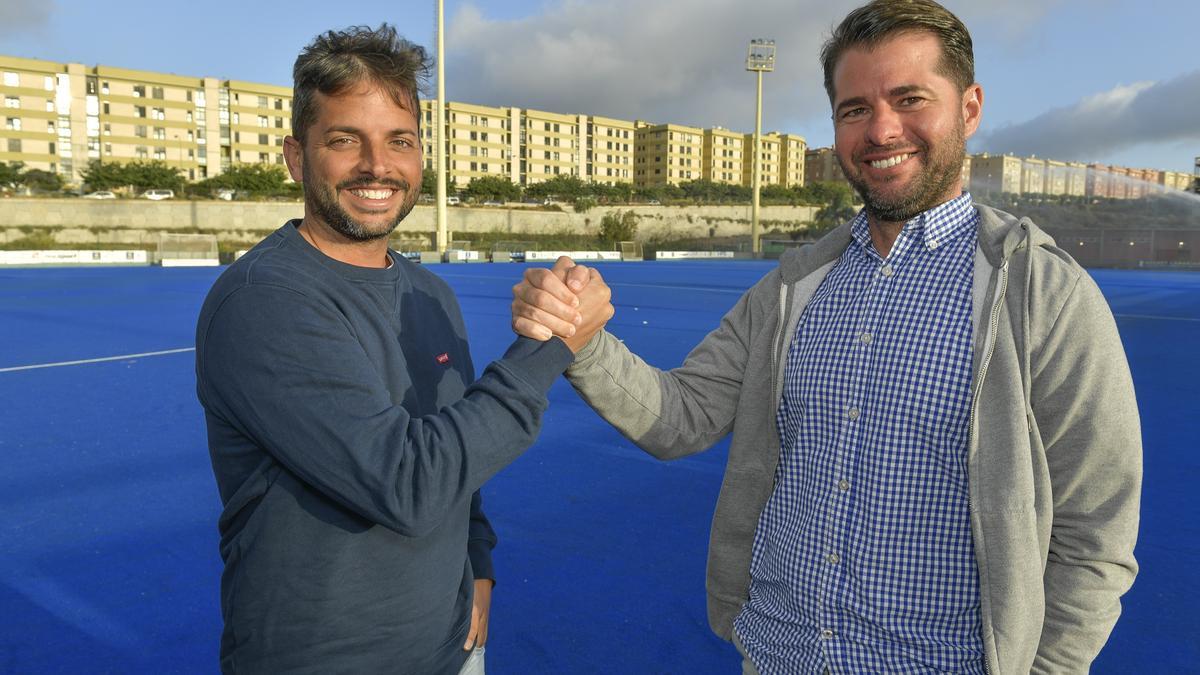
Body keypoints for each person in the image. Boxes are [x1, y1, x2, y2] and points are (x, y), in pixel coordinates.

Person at [512, 1, 1141, 673]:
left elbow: (1095, 534)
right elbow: (680, 417)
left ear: (970, 107)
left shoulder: (1042, 293)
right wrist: (585, 339)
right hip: (780, 657)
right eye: (854, 109)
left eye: (910, 98)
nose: (881, 129)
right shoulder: (793, 287)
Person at [195, 24, 606, 674]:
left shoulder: (430, 293)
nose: (377, 166)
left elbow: (456, 446)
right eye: (343, 140)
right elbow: (410, 482)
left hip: (450, 647)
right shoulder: (262, 300)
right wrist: (551, 345)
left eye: (399, 141)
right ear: (297, 158)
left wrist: (479, 561)